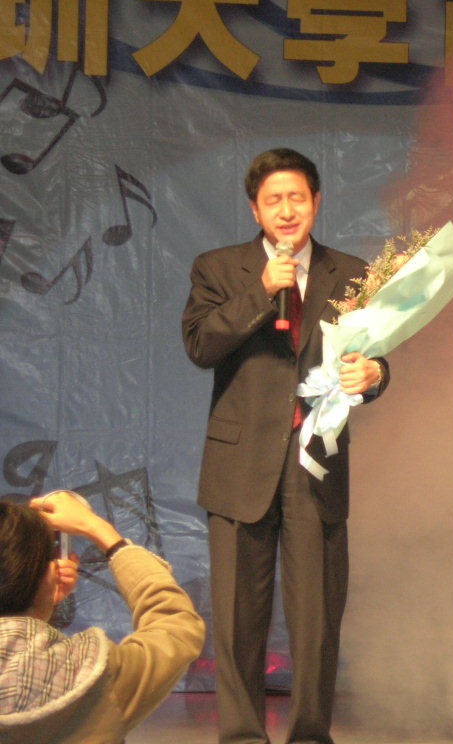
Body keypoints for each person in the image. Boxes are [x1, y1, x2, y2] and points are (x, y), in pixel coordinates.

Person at [181, 147, 389, 744]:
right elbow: (199, 346)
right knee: (237, 621)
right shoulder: (219, 268)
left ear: (316, 201)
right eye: (273, 200)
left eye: (297, 197)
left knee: (316, 619)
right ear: (255, 209)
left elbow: (376, 354)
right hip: (239, 464)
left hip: (315, 462)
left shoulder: (351, 272)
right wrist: (260, 292)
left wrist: (374, 375)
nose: (287, 210)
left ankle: (310, 735)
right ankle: (241, 736)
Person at [0, 491, 205, 743]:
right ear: (45, 577)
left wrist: (39, 598)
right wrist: (102, 532)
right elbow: (175, 625)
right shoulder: (94, 675)